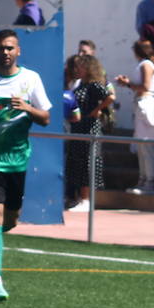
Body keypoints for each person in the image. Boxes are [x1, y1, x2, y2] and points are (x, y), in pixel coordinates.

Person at [0, 29, 52, 302]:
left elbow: (45, 118)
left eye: (10, 48)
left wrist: (27, 108)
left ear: (18, 51)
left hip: (17, 160)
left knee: (10, 220)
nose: (5, 52)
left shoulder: (31, 79)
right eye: (0, 48)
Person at [114, 40, 154, 195]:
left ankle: (150, 182)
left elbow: (145, 86)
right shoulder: (146, 64)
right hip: (142, 105)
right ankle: (144, 180)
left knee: (146, 146)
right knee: (142, 146)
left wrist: (127, 83)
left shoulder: (146, 65)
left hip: (146, 106)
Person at [67, 54, 112, 210]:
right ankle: (80, 198)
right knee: (77, 162)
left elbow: (109, 97)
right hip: (78, 128)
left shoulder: (93, 85)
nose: (76, 69)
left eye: (79, 66)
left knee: (86, 162)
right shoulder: (81, 84)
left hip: (89, 129)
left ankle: (86, 200)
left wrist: (96, 111)